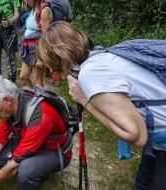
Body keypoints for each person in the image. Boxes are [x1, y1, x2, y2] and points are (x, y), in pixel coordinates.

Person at [36, 21, 166, 189]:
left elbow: (137, 137)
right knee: (142, 184)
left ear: (60, 58)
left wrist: (85, 101)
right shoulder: (103, 56)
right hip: (156, 142)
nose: (60, 76)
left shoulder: (91, 74)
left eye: (55, 67)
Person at [0, 75, 72, 190]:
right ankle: (33, 172)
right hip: (32, 143)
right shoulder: (9, 111)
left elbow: (15, 165)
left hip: (55, 151)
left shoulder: (39, 116)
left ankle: (32, 174)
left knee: (26, 170)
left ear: (7, 100)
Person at [32, 0, 60, 87]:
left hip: (49, 37)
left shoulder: (45, 9)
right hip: (56, 32)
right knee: (51, 54)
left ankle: (55, 79)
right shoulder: (60, 3)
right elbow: (69, 17)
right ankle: (48, 73)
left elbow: (45, 36)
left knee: (51, 55)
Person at [17, 0, 43, 87]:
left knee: (37, 79)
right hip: (27, 47)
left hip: (37, 49)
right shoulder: (29, 11)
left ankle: (41, 100)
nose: (26, 1)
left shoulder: (43, 11)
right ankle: (32, 96)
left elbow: (46, 34)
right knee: (23, 76)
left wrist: (41, 57)